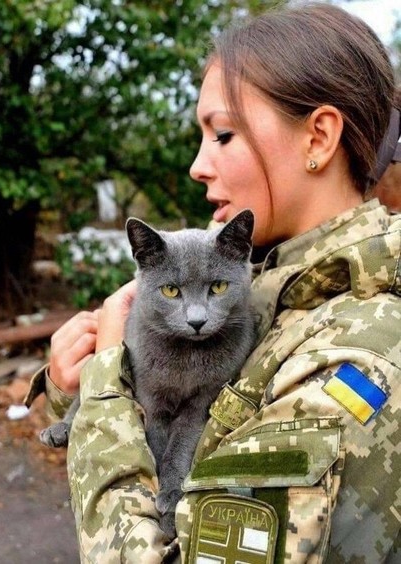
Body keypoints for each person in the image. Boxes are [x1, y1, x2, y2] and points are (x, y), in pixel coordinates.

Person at [25, 3, 401, 562]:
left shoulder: (354, 357)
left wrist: (105, 386)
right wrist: (76, 388)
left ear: (318, 138)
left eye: (223, 134)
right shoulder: (282, 291)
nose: (198, 166)